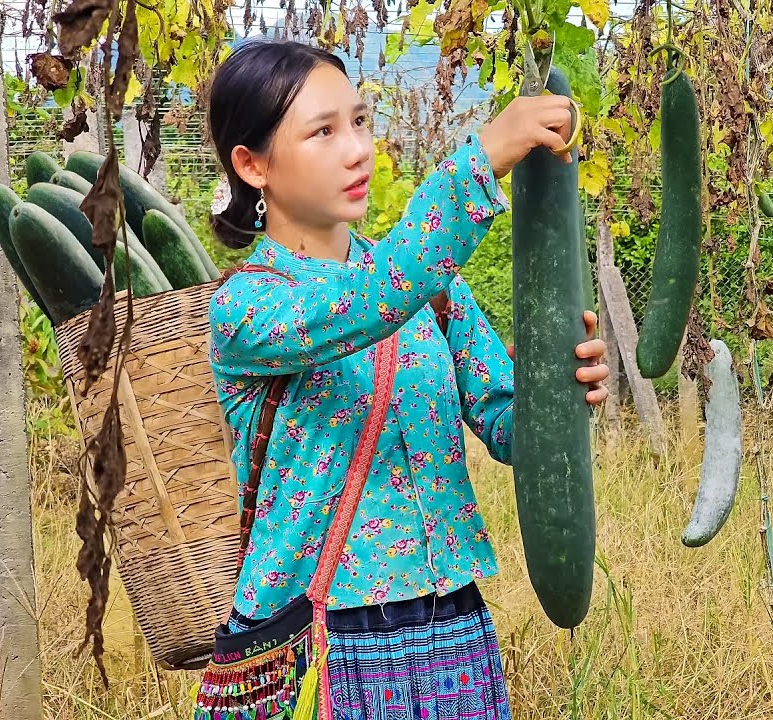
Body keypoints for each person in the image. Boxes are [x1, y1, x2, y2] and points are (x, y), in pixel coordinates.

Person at [199, 38, 609, 720]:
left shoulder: (436, 292)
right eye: (323, 132)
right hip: (319, 645)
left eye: (359, 122)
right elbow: (374, 301)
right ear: (252, 164)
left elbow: (510, 429)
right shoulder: (247, 307)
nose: (357, 149)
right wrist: (479, 162)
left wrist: (562, 393)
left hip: (452, 632)